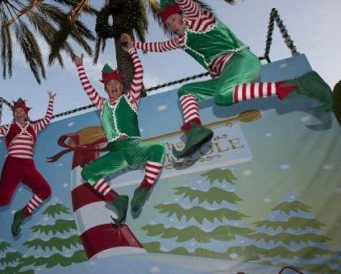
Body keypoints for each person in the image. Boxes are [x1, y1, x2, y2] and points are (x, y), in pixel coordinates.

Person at [122, 0, 332, 158]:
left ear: (182, 15)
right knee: (187, 91)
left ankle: (301, 84)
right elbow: (158, 47)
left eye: (175, 20)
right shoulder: (181, 40)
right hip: (224, 75)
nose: (174, 26)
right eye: (170, 25)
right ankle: (195, 130)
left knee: (223, 95)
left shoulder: (198, 19)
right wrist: (134, 46)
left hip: (240, 60)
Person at [72, 40, 166, 224]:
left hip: (134, 147)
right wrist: (80, 67)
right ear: (105, 89)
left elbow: (139, 73)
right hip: (116, 153)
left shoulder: (131, 99)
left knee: (158, 150)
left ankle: (144, 188)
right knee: (88, 173)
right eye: (109, 84)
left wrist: (132, 50)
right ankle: (117, 200)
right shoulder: (102, 105)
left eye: (115, 82)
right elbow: (87, 88)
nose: (113, 85)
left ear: (122, 86)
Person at [0, 91, 55, 236]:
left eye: (21, 111)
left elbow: (47, 118)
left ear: (26, 114)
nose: (19, 114)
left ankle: (22, 215)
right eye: (16, 112)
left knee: (45, 191)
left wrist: (50, 101)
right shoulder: (8, 128)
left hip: (28, 165)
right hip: (13, 165)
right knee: (3, 201)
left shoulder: (34, 128)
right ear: (13, 115)